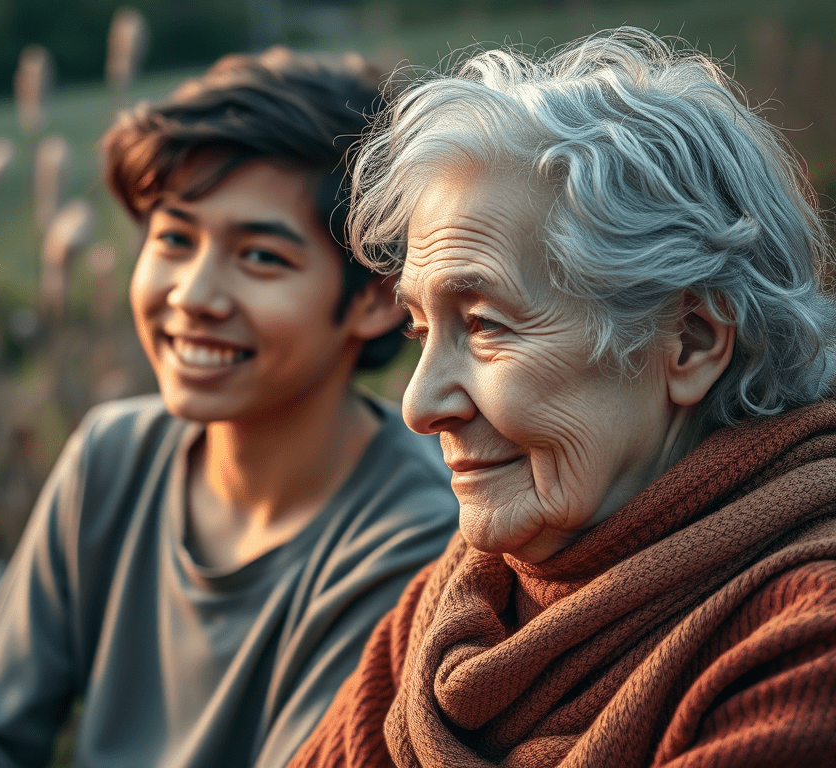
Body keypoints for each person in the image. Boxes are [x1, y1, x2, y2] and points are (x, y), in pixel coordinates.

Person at [0, 48, 460, 768]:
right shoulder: (112, 459)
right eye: (174, 239)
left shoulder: (413, 541)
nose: (193, 295)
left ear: (376, 298)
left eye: (259, 257)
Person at [288, 27, 836, 768]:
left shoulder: (804, 639)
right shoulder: (453, 604)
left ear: (693, 342)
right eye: (421, 331)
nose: (420, 406)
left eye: (484, 325)